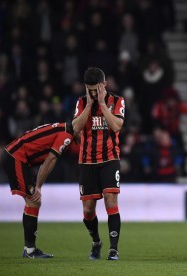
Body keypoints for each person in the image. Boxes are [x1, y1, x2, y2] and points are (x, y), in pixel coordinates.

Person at [72, 67, 125, 261]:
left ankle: (113, 249)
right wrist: (89, 106)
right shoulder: (81, 103)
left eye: (97, 89)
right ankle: (96, 242)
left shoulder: (117, 101)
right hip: (87, 161)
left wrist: (102, 103)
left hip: (110, 159)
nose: (94, 93)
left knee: (111, 201)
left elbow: (117, 125)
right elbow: (75, 127)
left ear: (105, 85)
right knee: (88, 210)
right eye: (91, 89)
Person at [2, 122, 75, 258]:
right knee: (33, 201)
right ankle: (30, 250)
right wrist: (38, 186)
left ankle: (29, 249)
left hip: (16, 156)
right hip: (16, 157)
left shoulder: (61, 127)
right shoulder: (67, 135)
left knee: (33, 202)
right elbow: (50, 160)